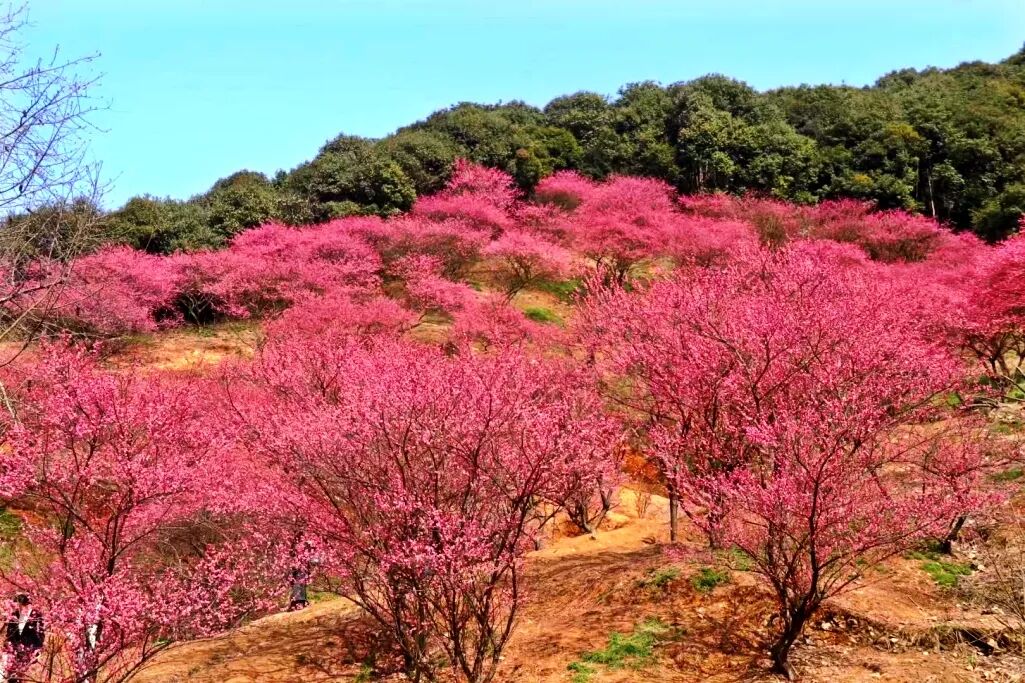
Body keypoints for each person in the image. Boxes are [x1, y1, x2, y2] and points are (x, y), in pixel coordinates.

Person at [2, 595, 44, 683]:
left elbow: (41, 632)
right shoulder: (14, 614)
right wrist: (7, 644)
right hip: (14, 648)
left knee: (22, 675)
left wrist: (37, 649)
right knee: (11, 675)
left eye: (19, 604)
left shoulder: (36, 615)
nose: (17, 607)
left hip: (29, 648)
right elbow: (9, 632)